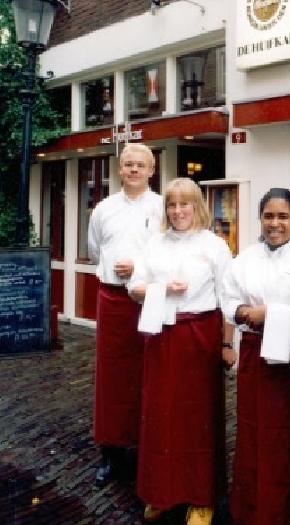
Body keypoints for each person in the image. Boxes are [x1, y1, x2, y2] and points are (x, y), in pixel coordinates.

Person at [128, 177, 234, 525]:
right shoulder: (154, 243)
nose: (177, 211)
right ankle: (162, 493)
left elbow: (228, 298)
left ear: (197, 206)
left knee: (197, 418)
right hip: (160, 334)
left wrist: (226, 343)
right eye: (171, 205)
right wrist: (161, 289)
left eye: (184, 204)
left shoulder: (215, 245)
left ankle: (201, 498)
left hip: (199, 335)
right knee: (160, 415)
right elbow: (134, 286)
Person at [222, 188, 290, 525]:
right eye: (268, 216)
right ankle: (252, 512)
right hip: (255, 356)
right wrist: (244, 312)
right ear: (260, 218)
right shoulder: (245, 258)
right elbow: (228, 298)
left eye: (283, 216)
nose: (274, 223)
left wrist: (279, 315)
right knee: (254, 433)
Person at [87, 142, 163, 487]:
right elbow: (94, 251)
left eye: (140, 165)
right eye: (128, 164)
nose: (134, 170)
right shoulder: (103, 209)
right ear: (119, 170)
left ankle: (148, 447)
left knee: (150, 372)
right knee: (112, 378)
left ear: (152, 170)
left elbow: (172, 255)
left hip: (150, 301)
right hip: (115, 300)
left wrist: (140, 266)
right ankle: (111, 452)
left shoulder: (163, 208)